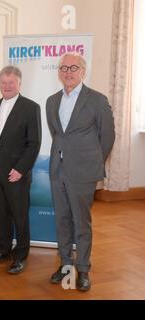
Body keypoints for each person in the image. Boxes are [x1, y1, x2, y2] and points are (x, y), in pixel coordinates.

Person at [46, 52, 115, 291]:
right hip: (57, 171)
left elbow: (107, 137)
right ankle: (65, 264)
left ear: (83, 71)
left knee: (81, 222)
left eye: (73, 68)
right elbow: (58, 135)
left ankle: (83, 269)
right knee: (62, 220)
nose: (68, 72)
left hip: (83, 173)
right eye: (63, 68)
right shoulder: (52, 101)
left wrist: (92, 162)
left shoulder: (97, 100)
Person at [0, 65, 41, 275]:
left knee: (20, 216)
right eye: (3, 83)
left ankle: (21, 255)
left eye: (11, 83)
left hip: (17, 174)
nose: (6, 86)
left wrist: (21, 170)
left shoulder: (31, 107)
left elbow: (34, 143)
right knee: (0, 213)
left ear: (19, 83)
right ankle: (3, 250)